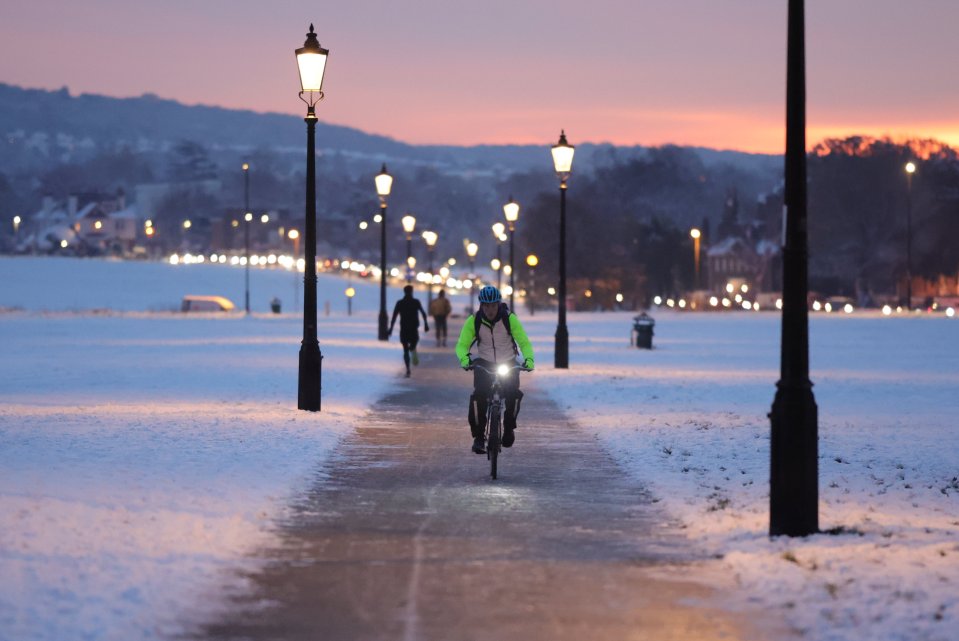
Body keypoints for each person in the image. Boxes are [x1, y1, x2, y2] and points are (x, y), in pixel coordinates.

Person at [454, 285, 534, 454]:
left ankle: (509, 428)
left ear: (498, 304)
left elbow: (524, 342)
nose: (490, 310)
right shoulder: (474, 321)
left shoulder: (509, 319)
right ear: (481, 305)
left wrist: (529, 359)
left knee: (514, 394)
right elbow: (462, 345)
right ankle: (478, 437)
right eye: (486, 306)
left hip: (508, 362)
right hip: (485, 363)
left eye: (493, 305)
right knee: (478, 397)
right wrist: (465, 358)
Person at [389, 285, 429, 377]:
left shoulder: (400, 303)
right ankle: (413, 349)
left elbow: (394, 317)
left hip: (404, 329)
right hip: (413, 328)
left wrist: (390, 329)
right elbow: (423, 313)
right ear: (411, 291)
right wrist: (426, 324)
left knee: (405, 350)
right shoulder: (416, 302)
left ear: (404, 291)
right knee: (413, 343)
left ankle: (408, 369)